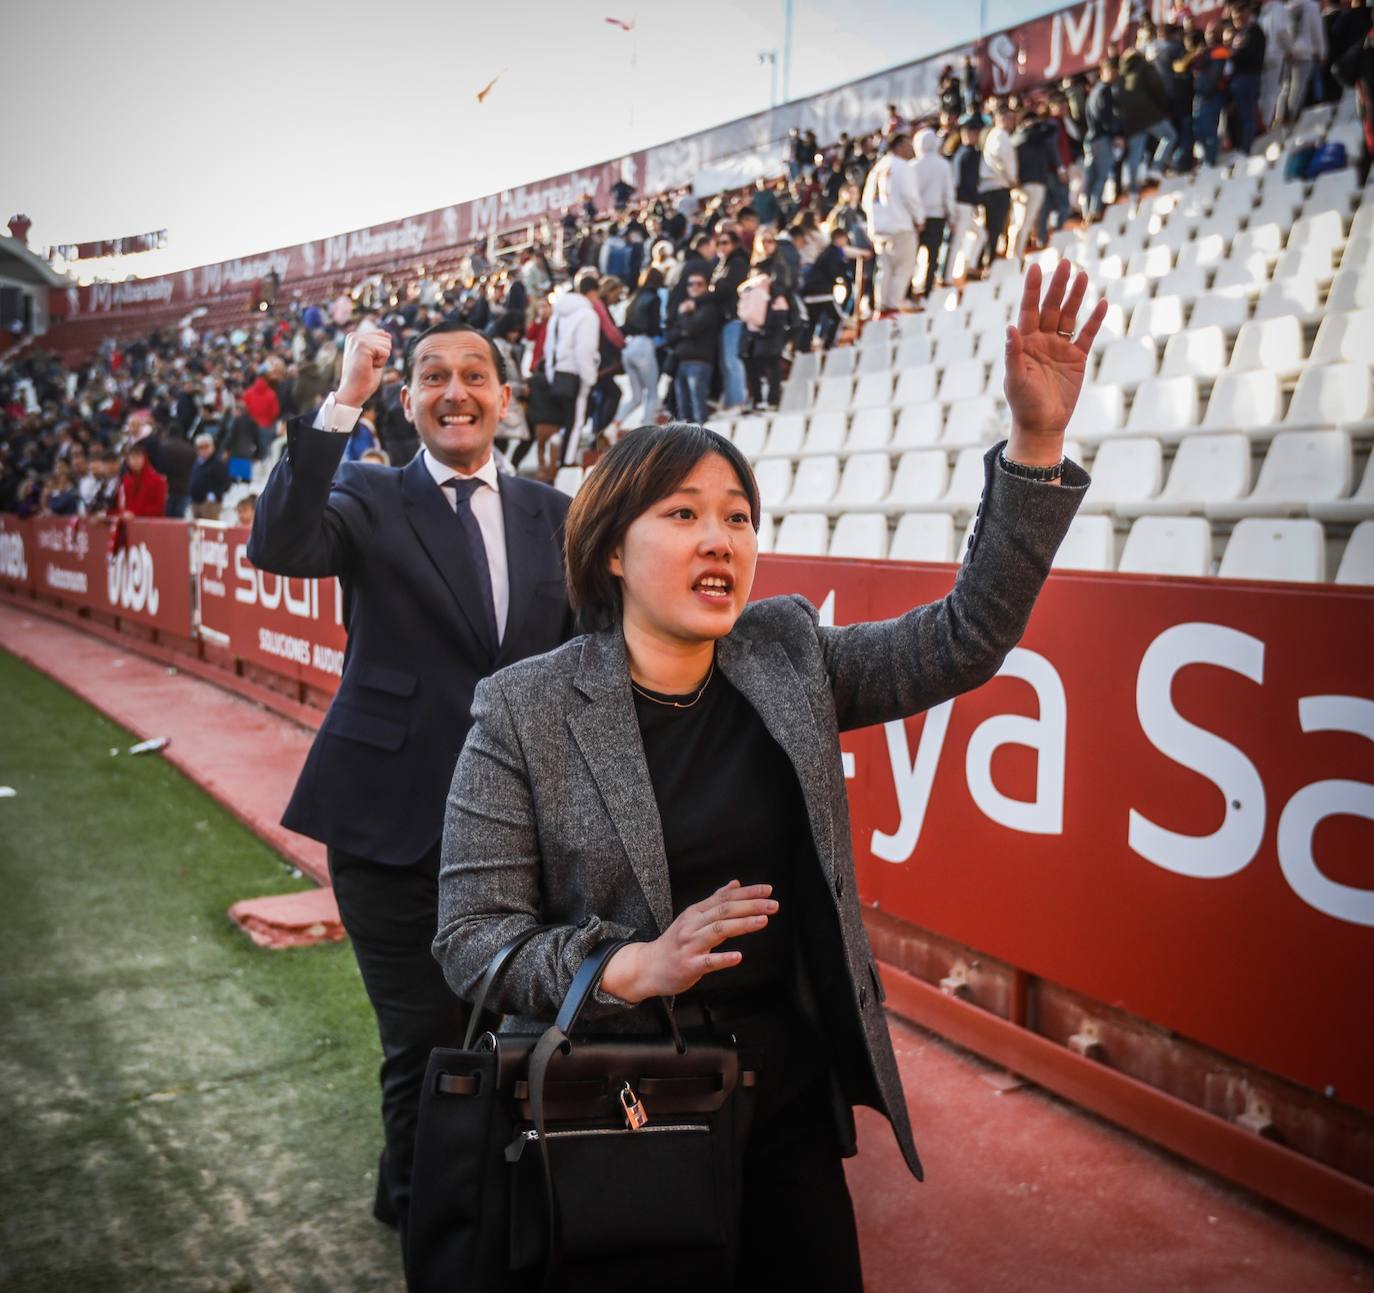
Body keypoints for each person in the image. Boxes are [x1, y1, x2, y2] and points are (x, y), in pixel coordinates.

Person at [434, 262, 1107, 1292]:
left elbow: (967, 637)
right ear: (611, 547)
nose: (720, 539)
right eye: (683, 515)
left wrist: (1037, 443)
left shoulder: (788, 651)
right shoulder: (522, 706)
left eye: (739, 517)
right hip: (619, 1102)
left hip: (785, 1100)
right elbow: (472, 939)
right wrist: (625, 969)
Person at [246, 320, 576, 1263]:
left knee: (503, 1037)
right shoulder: (367, 490)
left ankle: (449, 1198)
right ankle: (427, 1225)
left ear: (505, 398)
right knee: (425, 1044)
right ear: (408, 399)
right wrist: (341, 395)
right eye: (434, 376)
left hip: (520, 835)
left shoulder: (555, 514)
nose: (456, 391)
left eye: (476, 375)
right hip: (388, 823)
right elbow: (279, 542)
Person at [861, 132, 925, 316]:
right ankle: (892, 307)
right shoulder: (903, 167)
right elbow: (909, 196)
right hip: (900, 224)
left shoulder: (877, 168)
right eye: (907, 145)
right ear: (898, 147)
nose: (911, 148)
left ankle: (881, 307)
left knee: (885, 269)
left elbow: (866, 201)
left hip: (880, 227)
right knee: (903, 268)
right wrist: (919, 218)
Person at [545, 271, 601, 469]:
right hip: (576, 375)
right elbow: (584, 350)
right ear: (593, 293)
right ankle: (566, 462)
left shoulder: (558, 315)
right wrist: (590, 378)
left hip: (559, 373)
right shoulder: (588, 315)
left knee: (567, 421)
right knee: (576, 421)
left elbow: (549, 347)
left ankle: (560, 452)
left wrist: (552, 373)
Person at [667, 271, 721, 424]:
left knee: (698, 409)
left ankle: (703, 444)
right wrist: (684, 327)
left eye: (699, 284)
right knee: (683, 411)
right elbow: (671, 335)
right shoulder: (685, 306)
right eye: (691, 284)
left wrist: (684, 316)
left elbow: (691, 329)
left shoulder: (708, 308)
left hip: (700, 362)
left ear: (706, 287)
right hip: (681, 362)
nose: (694, 287)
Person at [710, 229, 751, 415]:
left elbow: (727, 288)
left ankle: (738, 401)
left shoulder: (738, 262)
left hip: (733, 316)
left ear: (734, 244)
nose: (722, 247)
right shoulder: (722, 264)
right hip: (724, 318)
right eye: (719, 243)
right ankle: (731, 401)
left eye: (726, 242)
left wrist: (715, 288)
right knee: (726, 362)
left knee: (732, 361)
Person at [911, 128, 955, 292]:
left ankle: (910, 289)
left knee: (913, 255)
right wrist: (951, 217)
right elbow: (948, 193)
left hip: (917, 218)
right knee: (933, 255)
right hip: (936, 216)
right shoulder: (943, 165)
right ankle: (928, 288)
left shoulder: (912, 166)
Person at [977, 106, 1019, 272]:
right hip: (997, 186)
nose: (1012, 122)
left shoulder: (997, 135)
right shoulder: (999, 135)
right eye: (1009, 118)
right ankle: (988, 262)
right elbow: (998, 160)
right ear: (1000, 118)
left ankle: (986, 260)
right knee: (994, 227)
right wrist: (1011, 178)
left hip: (994, 186)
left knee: (992, 227)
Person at [622, 267, 665, 427]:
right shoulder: (653, 297)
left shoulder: (635, 296)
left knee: (635, 397)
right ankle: (647, 425)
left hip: (629, 346)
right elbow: (653, 326)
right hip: (643, 344)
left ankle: (614, 424)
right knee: (652, 392)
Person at [1229, 2, 1268, 154]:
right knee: (1242, 116)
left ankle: (1249, 148)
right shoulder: (1240, 34)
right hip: (1239, 79)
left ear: (1246, 14)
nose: (1236, 21)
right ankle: (1245, 146)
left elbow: (1254, 56)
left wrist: (1235, 55)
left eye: (1239, 17)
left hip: (1249, 78)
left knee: (1248, 116)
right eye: (1234, 18)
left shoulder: (1254, 31)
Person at [116, 440, 168, 518]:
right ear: (127, 461)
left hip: (150, 525)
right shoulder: (126, 480)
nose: (136, 461)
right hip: (129, 525)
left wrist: (135, 514)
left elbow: (159, 508)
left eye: (139, 457)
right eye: (133, 458)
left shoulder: (158, 480)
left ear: (145, 459)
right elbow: (121, 504)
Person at [189, 433, 231, 520]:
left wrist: (213, 495)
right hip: (195, 502)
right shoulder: (197, 462)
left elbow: (226, 483)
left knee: (209, 530)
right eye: (201, 447)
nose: (203, 450)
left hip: (210, 504)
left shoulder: (218, 463)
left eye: (206, 447)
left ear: (212, 447)